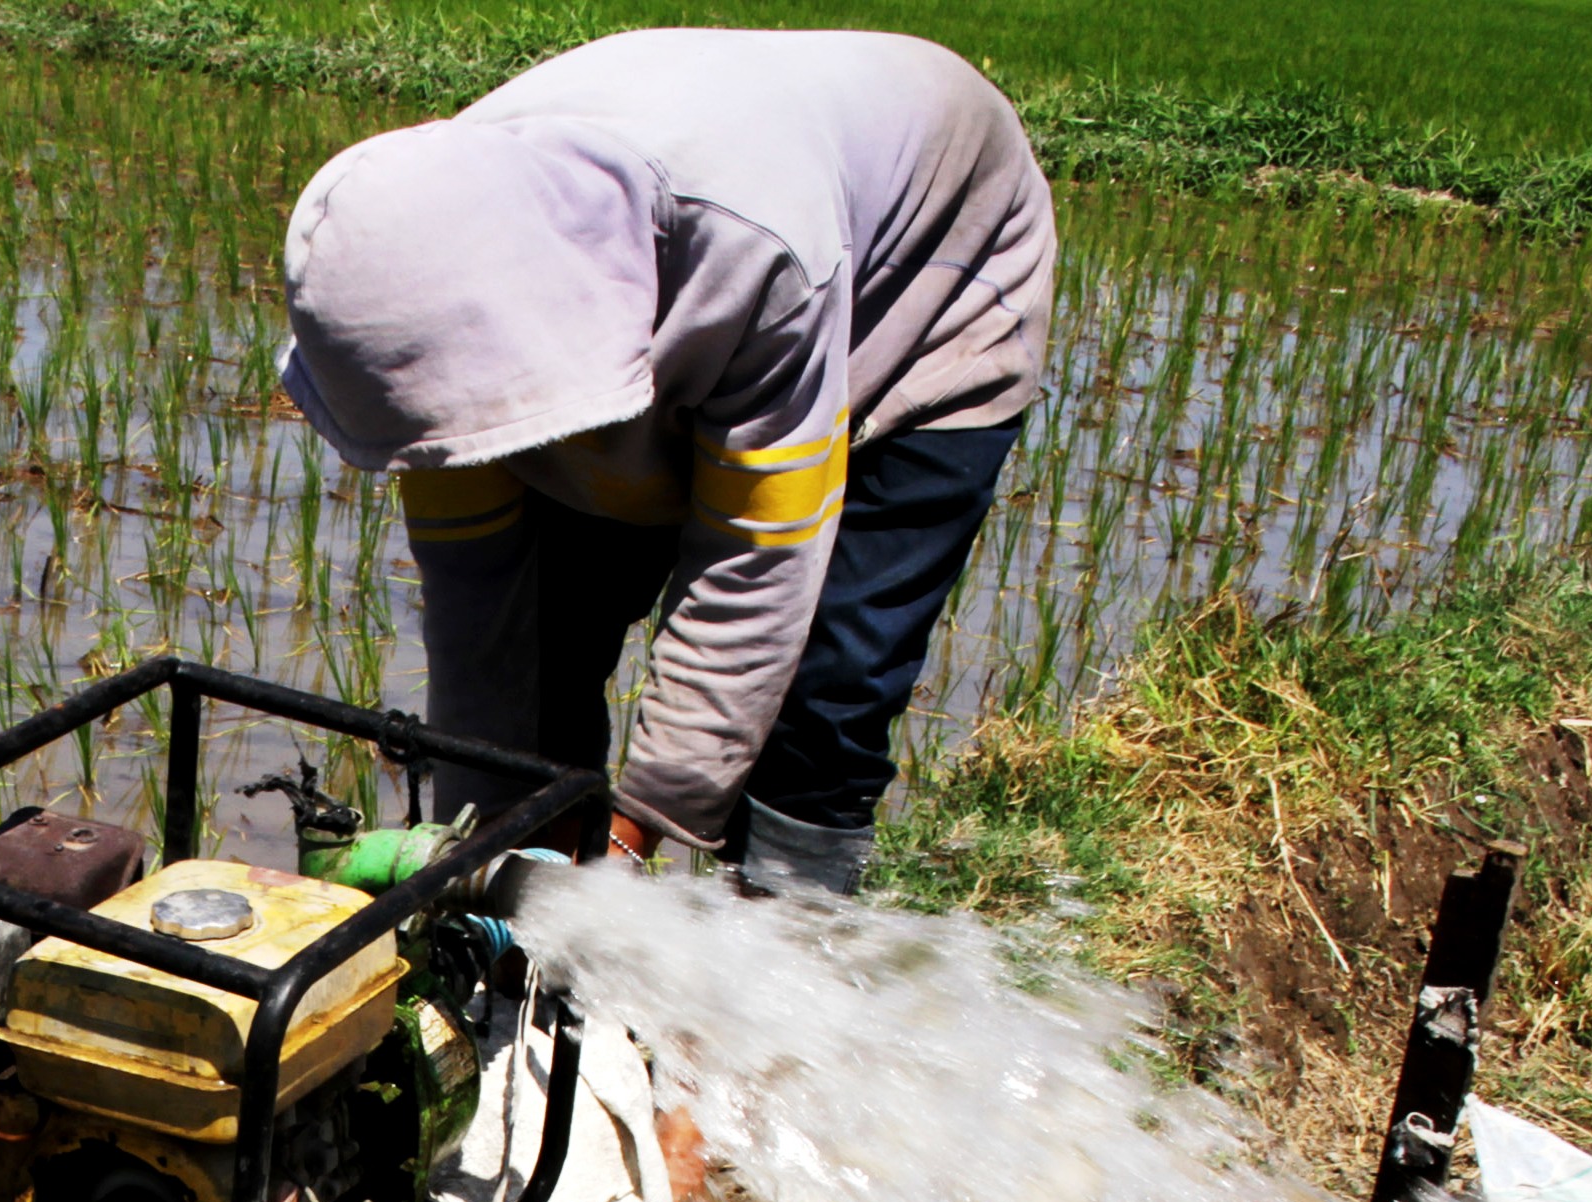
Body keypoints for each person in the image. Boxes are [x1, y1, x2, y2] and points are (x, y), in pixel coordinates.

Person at [280, 29, 1053, 903]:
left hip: (934, 280)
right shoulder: (422, 283)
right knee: (551, 638)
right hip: (702, 253)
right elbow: (478, 598)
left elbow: (753, 564)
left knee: (829, 691)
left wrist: (633, 835)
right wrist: (487, 842)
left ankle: (790, 952)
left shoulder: (755, 251)